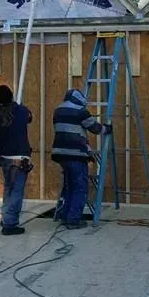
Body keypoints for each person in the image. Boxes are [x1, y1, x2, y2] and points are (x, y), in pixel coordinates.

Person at [51, 88, 110, 229]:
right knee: (79, 188)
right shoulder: (80, 111)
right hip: (76, 154)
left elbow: (72, 131)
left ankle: (65, 216)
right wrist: (107, 129)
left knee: (69, 186)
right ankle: (73, 220)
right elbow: (94, 128)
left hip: (60, 154)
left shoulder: (58, 110)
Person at [0, 85, 33, 236]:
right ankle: (10, 224)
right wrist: (17, 106)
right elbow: (30, 118)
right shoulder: (22, 112)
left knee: (8, 189)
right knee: (16, 191)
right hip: (20, 159)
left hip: (5, 159)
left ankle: (5, 217)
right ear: (11, 97)